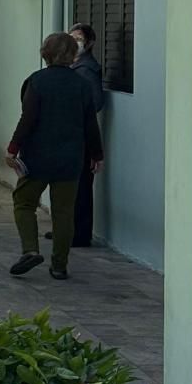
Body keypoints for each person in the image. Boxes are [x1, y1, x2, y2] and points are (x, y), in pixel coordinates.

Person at [8, 31, 103, 281]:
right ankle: (59, 265)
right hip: (71, 158)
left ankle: (30, 250)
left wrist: (13, 148)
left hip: (37, 157)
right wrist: (97, 154)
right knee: (64, 213)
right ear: (73, 55)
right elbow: (90, 123)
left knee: (24, 202)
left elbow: (27, 119)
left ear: (45, 53)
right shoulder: (82, 84)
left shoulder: (36, 82)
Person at [68, 22, 106, 246]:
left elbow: (95, 103)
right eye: (71, 38)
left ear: (89, 43)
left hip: (82, 135)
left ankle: (80, 233)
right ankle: (69, 229)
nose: (75, 43)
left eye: (79, 39)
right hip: (77, 134)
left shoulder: (86, 70)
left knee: (81, 186)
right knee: (71, 186)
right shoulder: (74, 66)